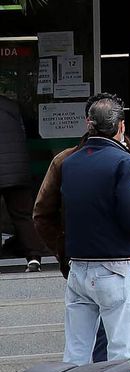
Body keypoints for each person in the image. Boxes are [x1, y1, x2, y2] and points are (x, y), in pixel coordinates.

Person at [35, 95, 130, 365]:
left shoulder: (78, 161)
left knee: (86, 349)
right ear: (121, 125)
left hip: (111, 263)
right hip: (115, 264)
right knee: (120, 350)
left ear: (89, 123)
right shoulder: (110, 161)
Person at [0, 95, 46, 272]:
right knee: (23, 215)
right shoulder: (12, 105)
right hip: (18, 169)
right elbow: (27, 133)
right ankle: (34, 256)